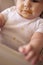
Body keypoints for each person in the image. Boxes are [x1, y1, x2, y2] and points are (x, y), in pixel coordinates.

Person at [0, 0, 43, 65]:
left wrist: (33, 47)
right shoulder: (11, 11)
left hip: (18, 57)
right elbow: (1, 19)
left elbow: (38, 39)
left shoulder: (40, 23)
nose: (27, 4)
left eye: (34, 1)